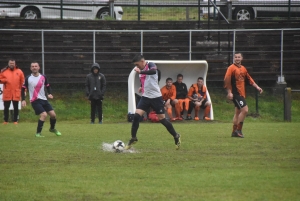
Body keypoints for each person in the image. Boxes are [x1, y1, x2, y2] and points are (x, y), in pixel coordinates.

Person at [125, 54, 181, 150]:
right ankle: (133, 138)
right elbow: (147, 81)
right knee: (136, 116)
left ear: (142, 62)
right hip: (146, 97)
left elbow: (153, 71)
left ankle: (176, 136)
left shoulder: (151, 65)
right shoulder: (141, 70)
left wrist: (141, 71)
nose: (137, 67)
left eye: (137, 64)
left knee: (162, 119)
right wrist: (142, 87)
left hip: (156, 97)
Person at [224, 52, 263, 138]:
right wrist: (229, 92)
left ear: (242, 58)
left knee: (237, 112)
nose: (237, 58)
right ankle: (239, 130)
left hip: (241, 94)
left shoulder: (243, 69)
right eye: (236, 57)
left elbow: (249, 79)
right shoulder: (231, 68)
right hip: (235, 93)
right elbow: (227, 80)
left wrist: (257, 87)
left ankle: (234, 132)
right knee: (245, 110)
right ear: (234, 58)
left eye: (239, 57)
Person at [21, 61, 61, 137]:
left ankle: (52, 129)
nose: (34, 67)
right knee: (44, 115)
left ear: (39, 67)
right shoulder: (28, 78)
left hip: (44, 99)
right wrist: (23, 99)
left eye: (36, 66)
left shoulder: (43, 77)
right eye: (32, 66)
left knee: (53, 115)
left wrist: (49, 93)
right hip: (35, 100)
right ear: (30, 68)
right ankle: (38, 133)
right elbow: (23, 89)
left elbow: (48, 85)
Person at [0, 59, 25, 125]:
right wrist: (5, 80)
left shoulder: (19, 71)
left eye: (13, 63)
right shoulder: (4, 71)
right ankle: (6, 120)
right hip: (7, 92)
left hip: (16, 92)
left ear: (15, 64)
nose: (11, 64)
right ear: (8, 64)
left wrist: (24, 90)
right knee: (6, 107)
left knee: (16, 107)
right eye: (10, 63)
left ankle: (15, 120)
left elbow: (22, 82)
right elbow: (0, 79)